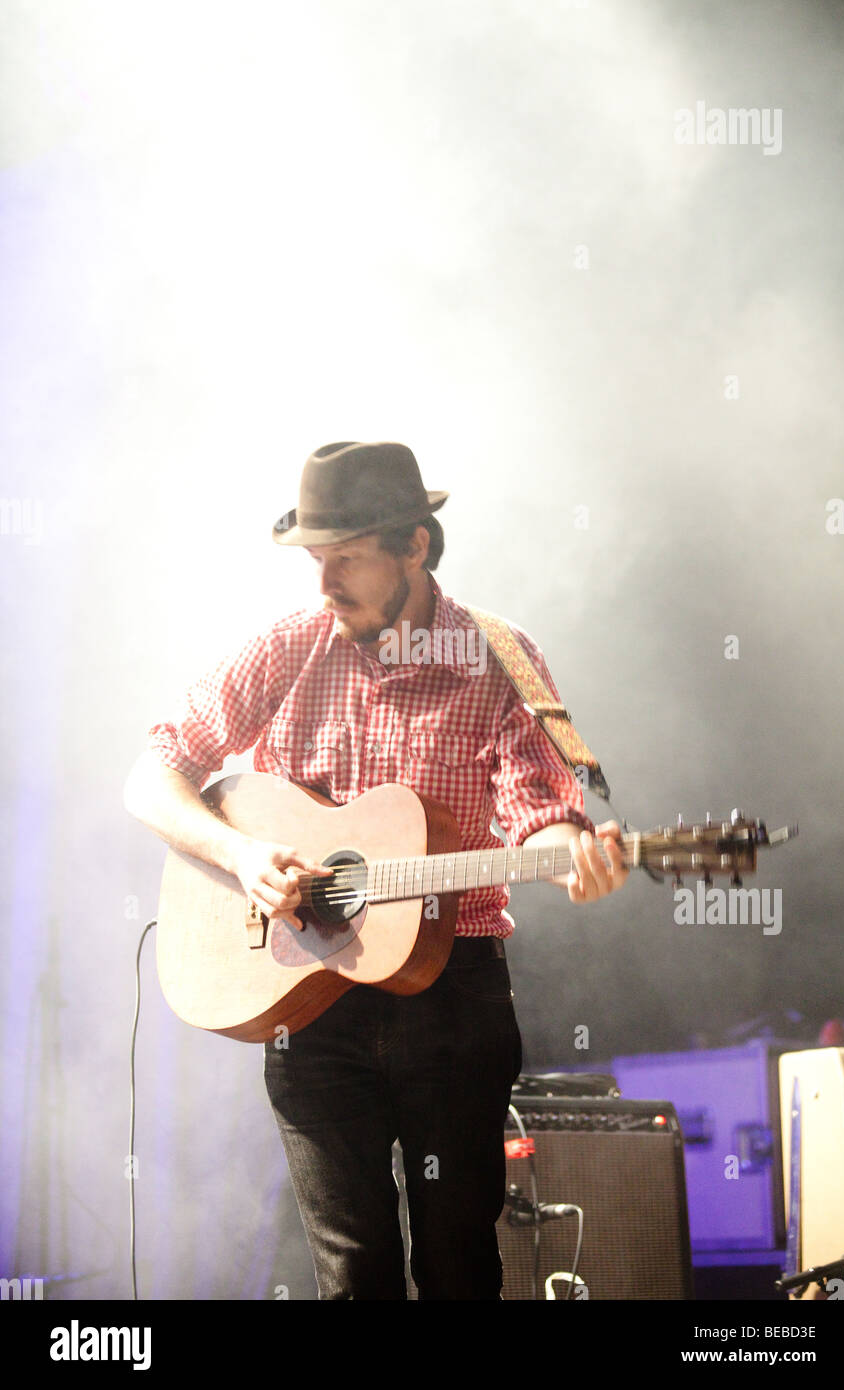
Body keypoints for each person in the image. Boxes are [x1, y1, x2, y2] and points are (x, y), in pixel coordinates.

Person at [123, 440, 627, 1300]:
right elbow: (152, 775)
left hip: (452, 996)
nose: (323, 587)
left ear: (415, 548)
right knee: (352, 1273)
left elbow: (540, 807)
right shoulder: (289, 649)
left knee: (458, 1265)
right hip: (304, 998)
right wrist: (243, 856)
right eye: (315, 562)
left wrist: (572, 852)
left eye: (345, 561)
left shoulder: (498, 657)